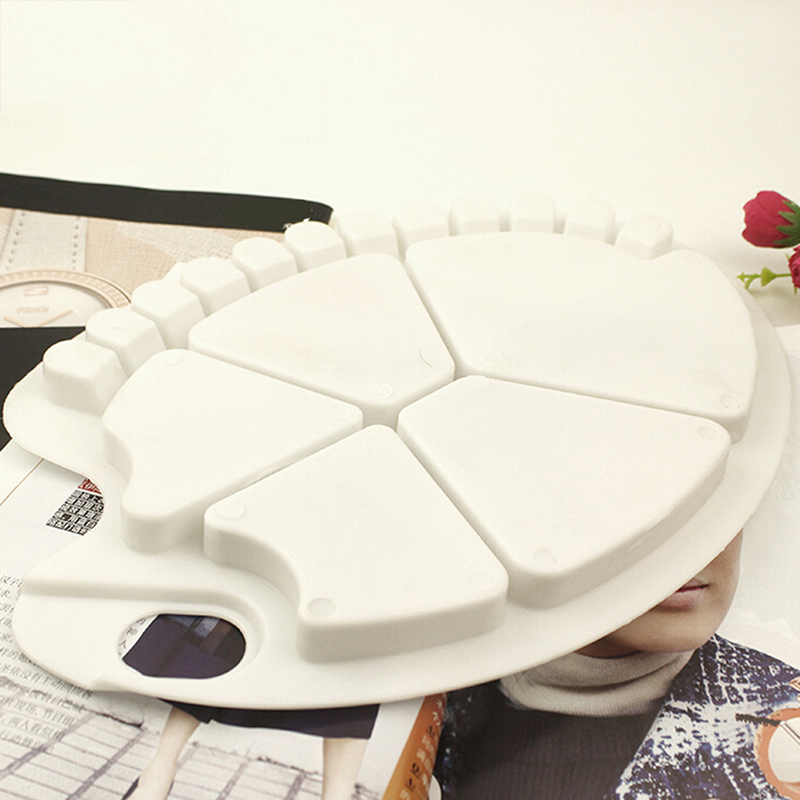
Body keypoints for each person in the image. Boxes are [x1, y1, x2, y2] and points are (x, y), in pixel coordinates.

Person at [434, 532, 800, 799]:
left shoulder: (780, 731)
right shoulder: (419, 708)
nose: (688, 541)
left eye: (713, 491)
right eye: (634, 496)